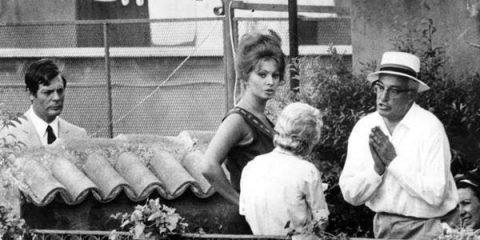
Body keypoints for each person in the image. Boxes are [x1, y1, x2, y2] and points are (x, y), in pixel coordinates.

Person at [339, 51, 458, 239]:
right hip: (384, 228)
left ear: (411, 95)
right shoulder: (364, 127)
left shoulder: (430, 127)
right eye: (379, 87)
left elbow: (436, 194)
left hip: (430, 229)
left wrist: (393, 162)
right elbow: (350, 194)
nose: (383, 97)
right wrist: (377, 170)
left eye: (394, 90)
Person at [201, 29, 286, 205]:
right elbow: (208, 166)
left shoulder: (262, 117)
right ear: (246, 76)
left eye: (275, 75)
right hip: (252, 218)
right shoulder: (237, 120)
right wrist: (241, 204)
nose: (270, 82)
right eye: (262, 75)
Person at [239, 102, 329, 239]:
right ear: (310, 140)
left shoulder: (251, 167)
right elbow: (322, 222)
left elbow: (246, 212)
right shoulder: (307, 171)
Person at [0, 59, 88, 147]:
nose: (56, 98)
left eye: (60, 91)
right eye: (48, 92)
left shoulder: (78, 135)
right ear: (31, 94)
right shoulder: (8, 135)